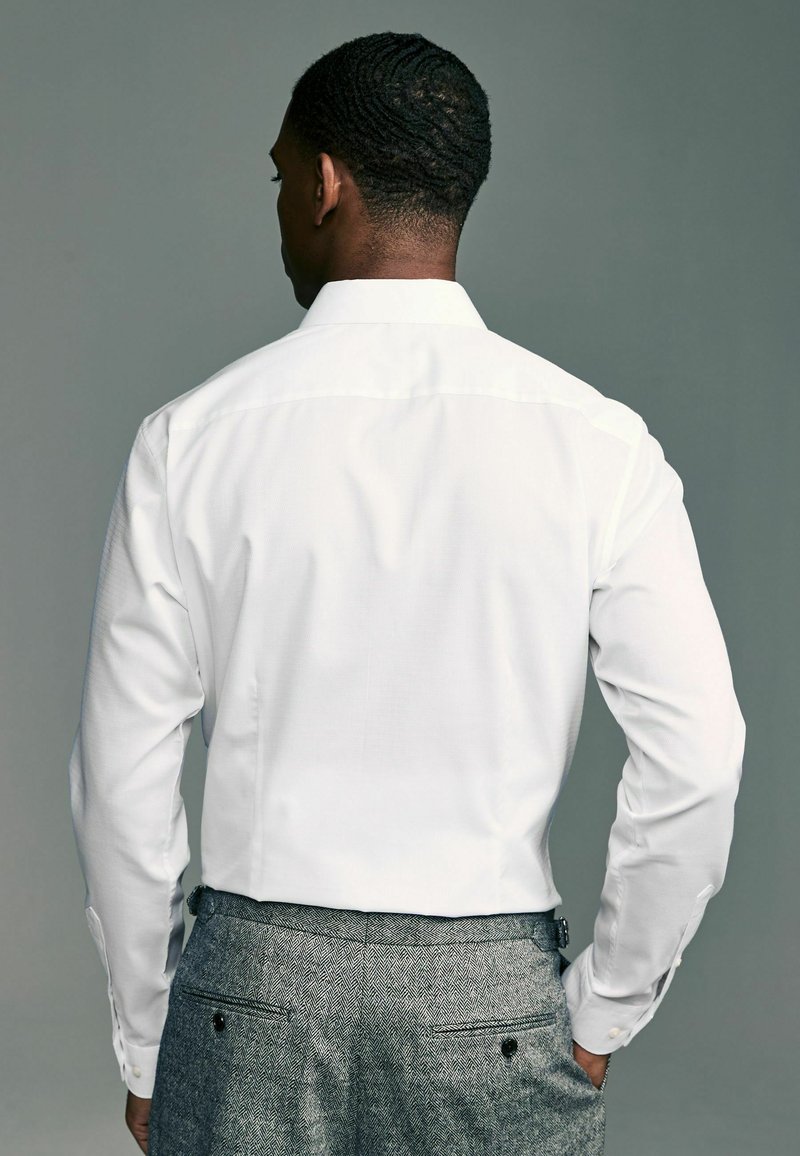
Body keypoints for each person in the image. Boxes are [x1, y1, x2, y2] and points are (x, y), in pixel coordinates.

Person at [68, 29, 746, 1156]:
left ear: (325, 184)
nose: (280, 206)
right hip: (494, 1011)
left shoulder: (190, 440)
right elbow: (698, 758)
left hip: (247, 1004)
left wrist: (149, 1041)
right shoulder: (598, 443)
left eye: (281, 177)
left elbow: (121, 781)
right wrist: (600, 1012)